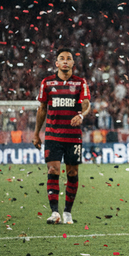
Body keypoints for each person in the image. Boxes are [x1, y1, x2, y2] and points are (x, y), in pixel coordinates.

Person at [32, 47, 90, 225]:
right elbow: (42, 109)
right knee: (53, 170)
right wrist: (36, 134)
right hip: (52, 135)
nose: (65, 61)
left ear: (73, 63)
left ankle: (68, 212)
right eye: (62, 58)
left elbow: (87, 105)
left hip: (73, 137)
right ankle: (55, 212)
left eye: (69, 58)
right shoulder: (47, 83)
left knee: (72, 172)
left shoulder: (80, 83)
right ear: (56, 63)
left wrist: (81, 115)